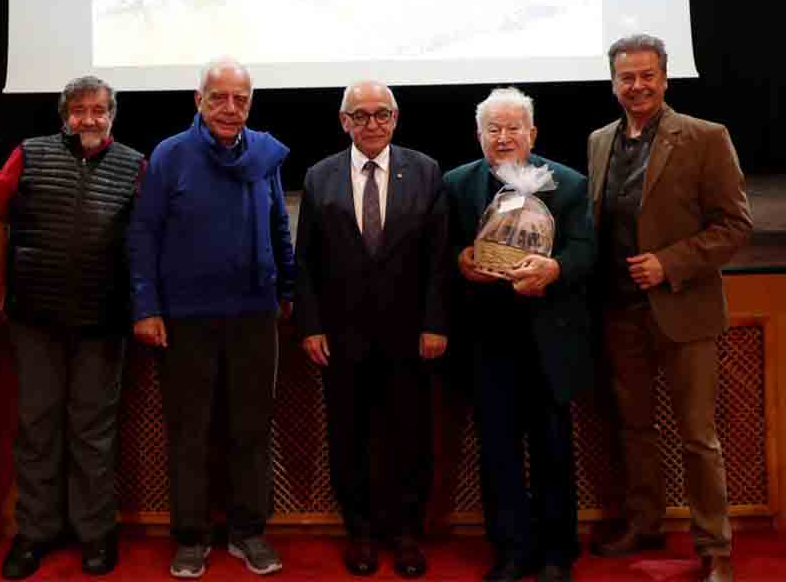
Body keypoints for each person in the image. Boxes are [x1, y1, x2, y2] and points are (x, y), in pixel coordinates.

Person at [588, 34, 752, 582]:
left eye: (647, 75)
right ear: (613, 83)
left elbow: (735, 226)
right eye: (626, 77)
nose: (637, 86)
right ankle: (644, 523)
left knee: (697, 435)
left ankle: (713, 547)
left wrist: (669, 263)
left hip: (684, 307)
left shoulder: (706, 138)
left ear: (665, 78)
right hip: (618, 310)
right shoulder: (598, 141)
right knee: (634, 429)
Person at [128, 57, 295, 578]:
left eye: (240, 99)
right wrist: (147, 306)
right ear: (197, 101)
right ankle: (191, 537)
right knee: (190, 432)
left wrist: (287, 288)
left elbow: (278, 228)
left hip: (253, 316)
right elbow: (144, 235)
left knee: (250, 430)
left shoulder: (266, 155)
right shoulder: (170, 155)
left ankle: (249, 532)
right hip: (187, 319)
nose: (230, 108)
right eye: (218, 97)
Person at [0, 75, 145, 578]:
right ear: (64, 115)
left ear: (112, 115)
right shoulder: (28, 155)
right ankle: (35, 532)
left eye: (98, 110)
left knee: (93, 433)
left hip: (103, 321)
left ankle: (95, 533)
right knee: (37, 429)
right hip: (35, 318)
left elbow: (145, 242)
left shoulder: (134, 165)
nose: (89, 119)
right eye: (78, 110)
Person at [294, 81, 449, 578]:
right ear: (344, 123)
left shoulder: (425, 171)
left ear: (396, 118)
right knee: (349, 439)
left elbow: (438, 258)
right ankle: (359, 533)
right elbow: (307, 262)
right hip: (341, 339)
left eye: (381, 114)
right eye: (359, 116)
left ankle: (406, 534)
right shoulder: (319, 177)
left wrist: (434, 323)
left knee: (410, 438)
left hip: (410, 337)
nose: (371, 124)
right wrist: (311, 325)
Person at [444, 87, 595, 582]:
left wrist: (554, 268)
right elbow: (439, 251)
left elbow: (586, 251)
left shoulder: (568, 185)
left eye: (513, 128)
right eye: (494, 129)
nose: (504, 137)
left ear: (532, 133)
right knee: (498, 451)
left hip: (548, 340)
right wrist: (460, 261)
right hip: (486, 342)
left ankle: (556, 555)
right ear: (479, 135)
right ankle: (510, 551)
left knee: (553, 448)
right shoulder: (455, 185)